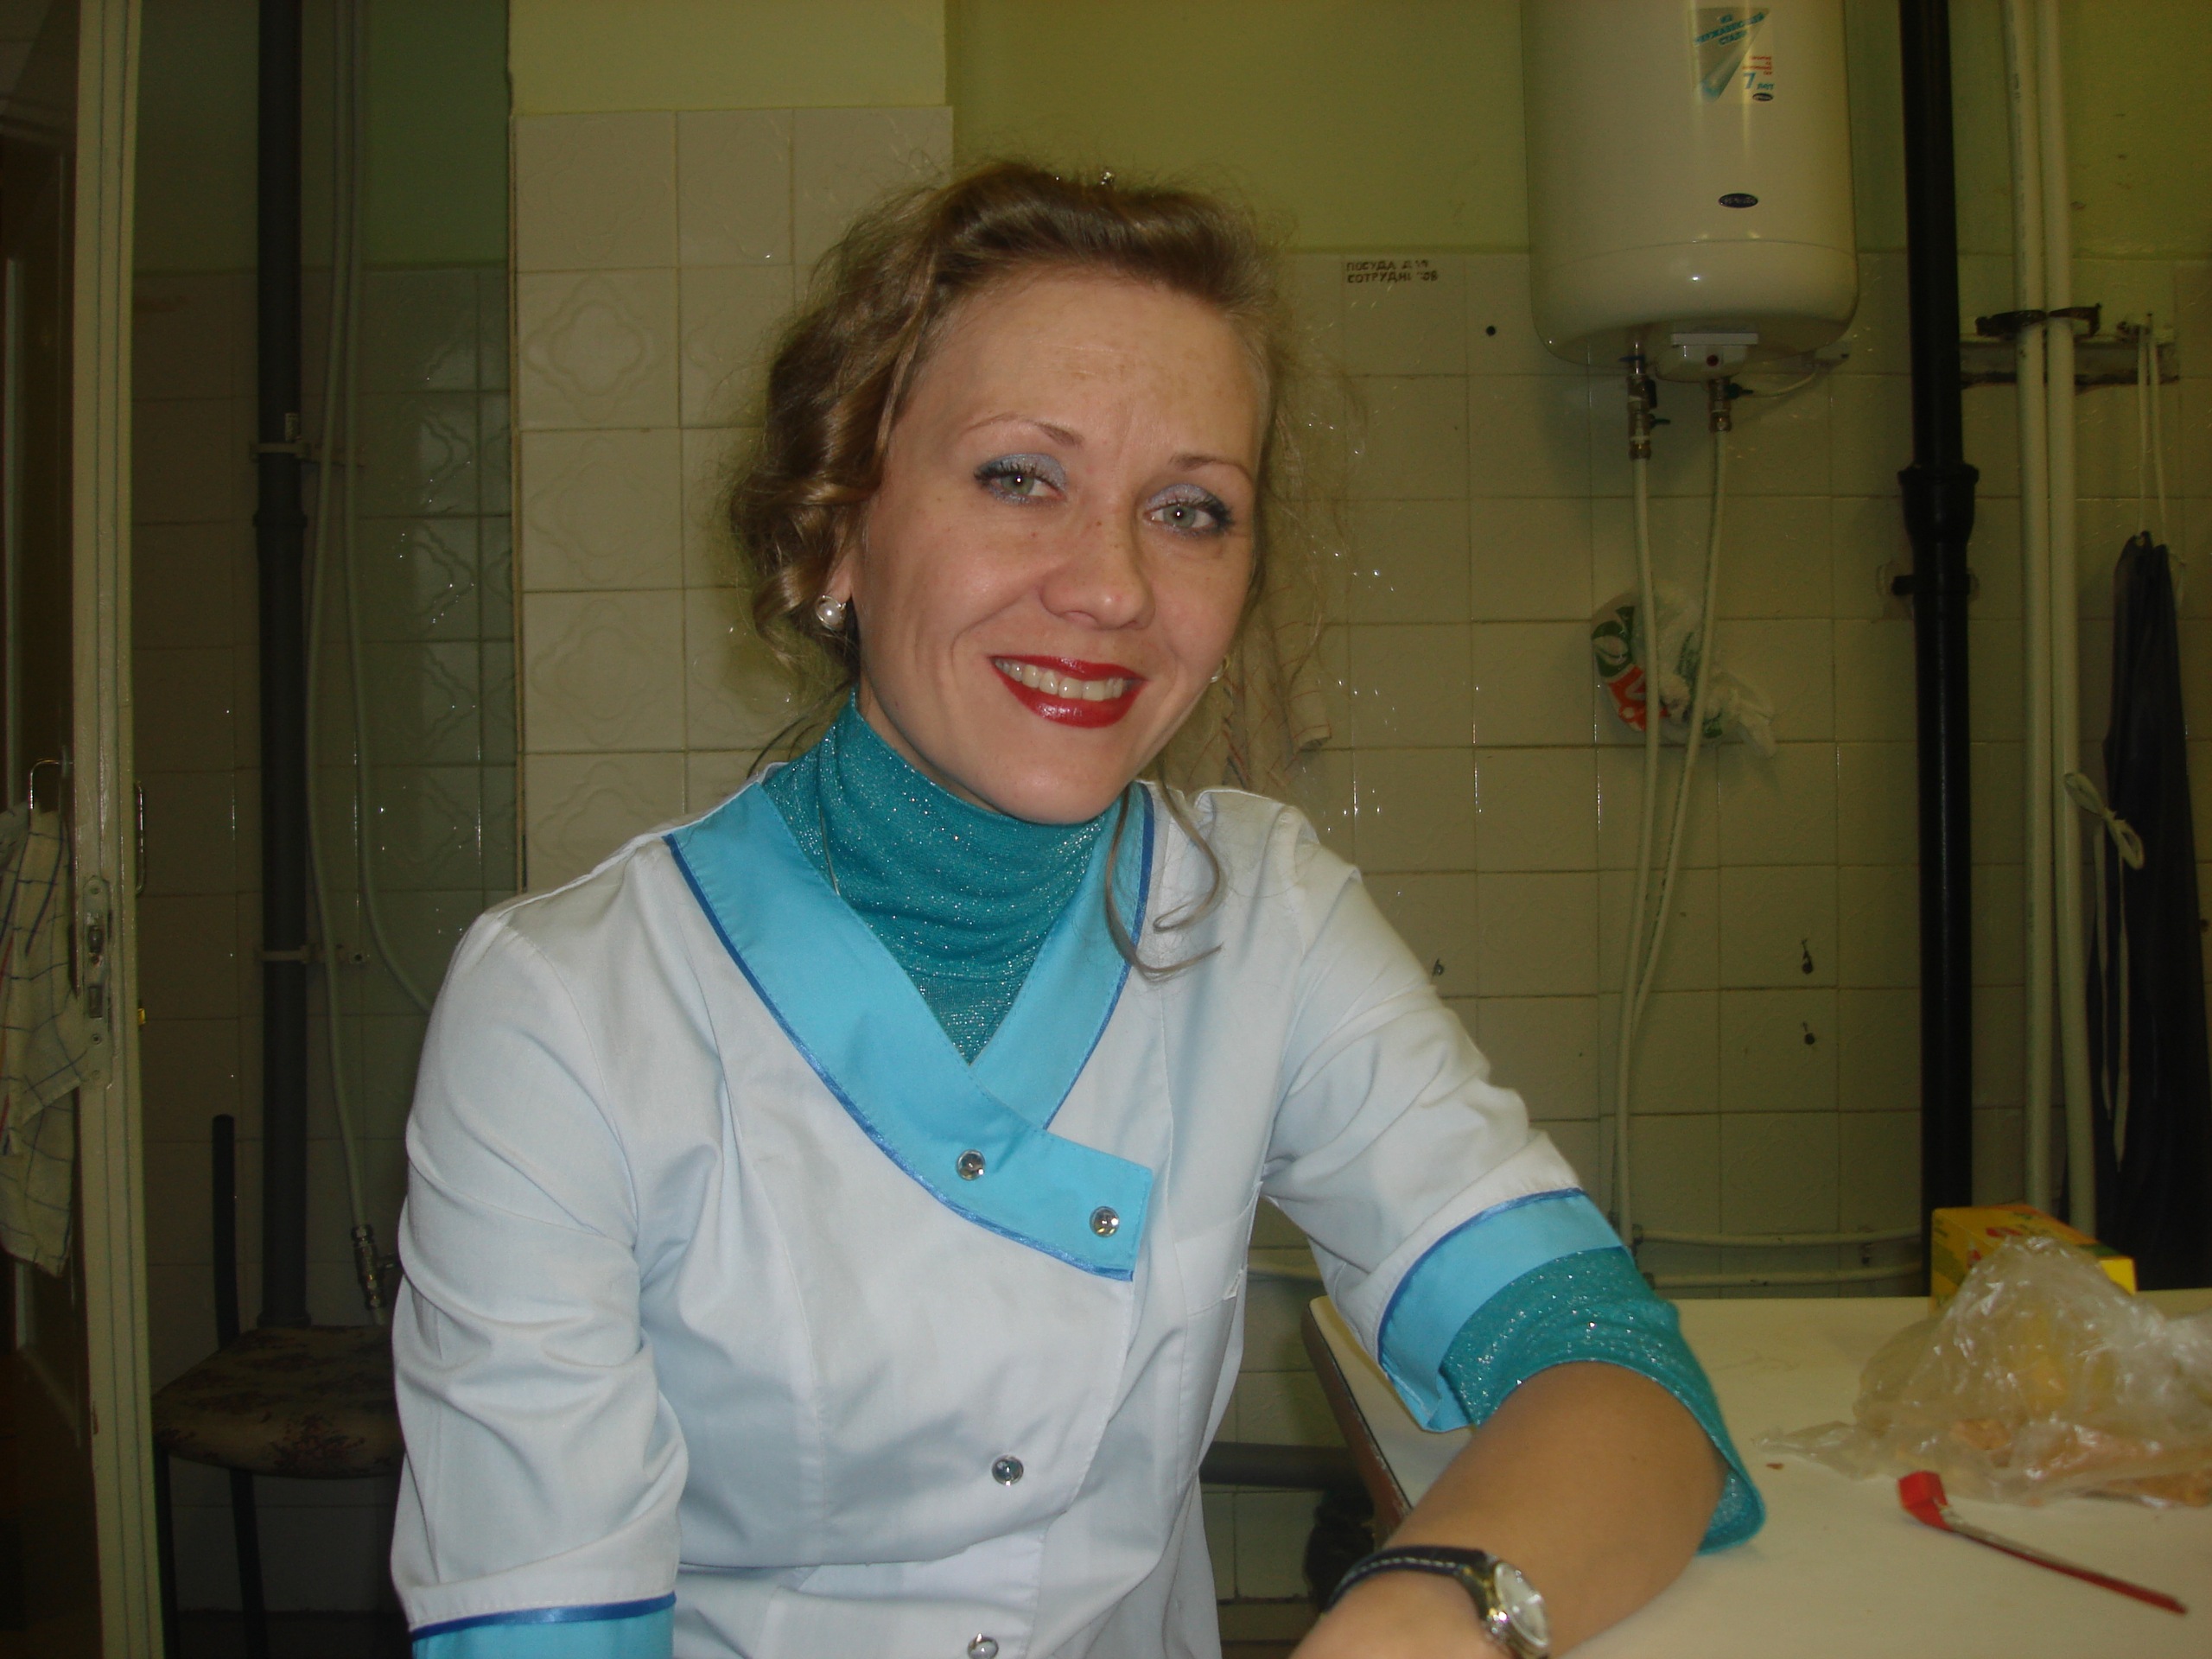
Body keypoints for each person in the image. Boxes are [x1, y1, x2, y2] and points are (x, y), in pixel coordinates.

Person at [390, 162, 1762, 1659]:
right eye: (1019, 479)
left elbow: (1612, 1368)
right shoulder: (565, 1010)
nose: (1112, 587)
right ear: (834, 535)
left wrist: (1428, 1619)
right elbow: (538, 1622)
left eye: (1189, 510)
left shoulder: (1264, 918)